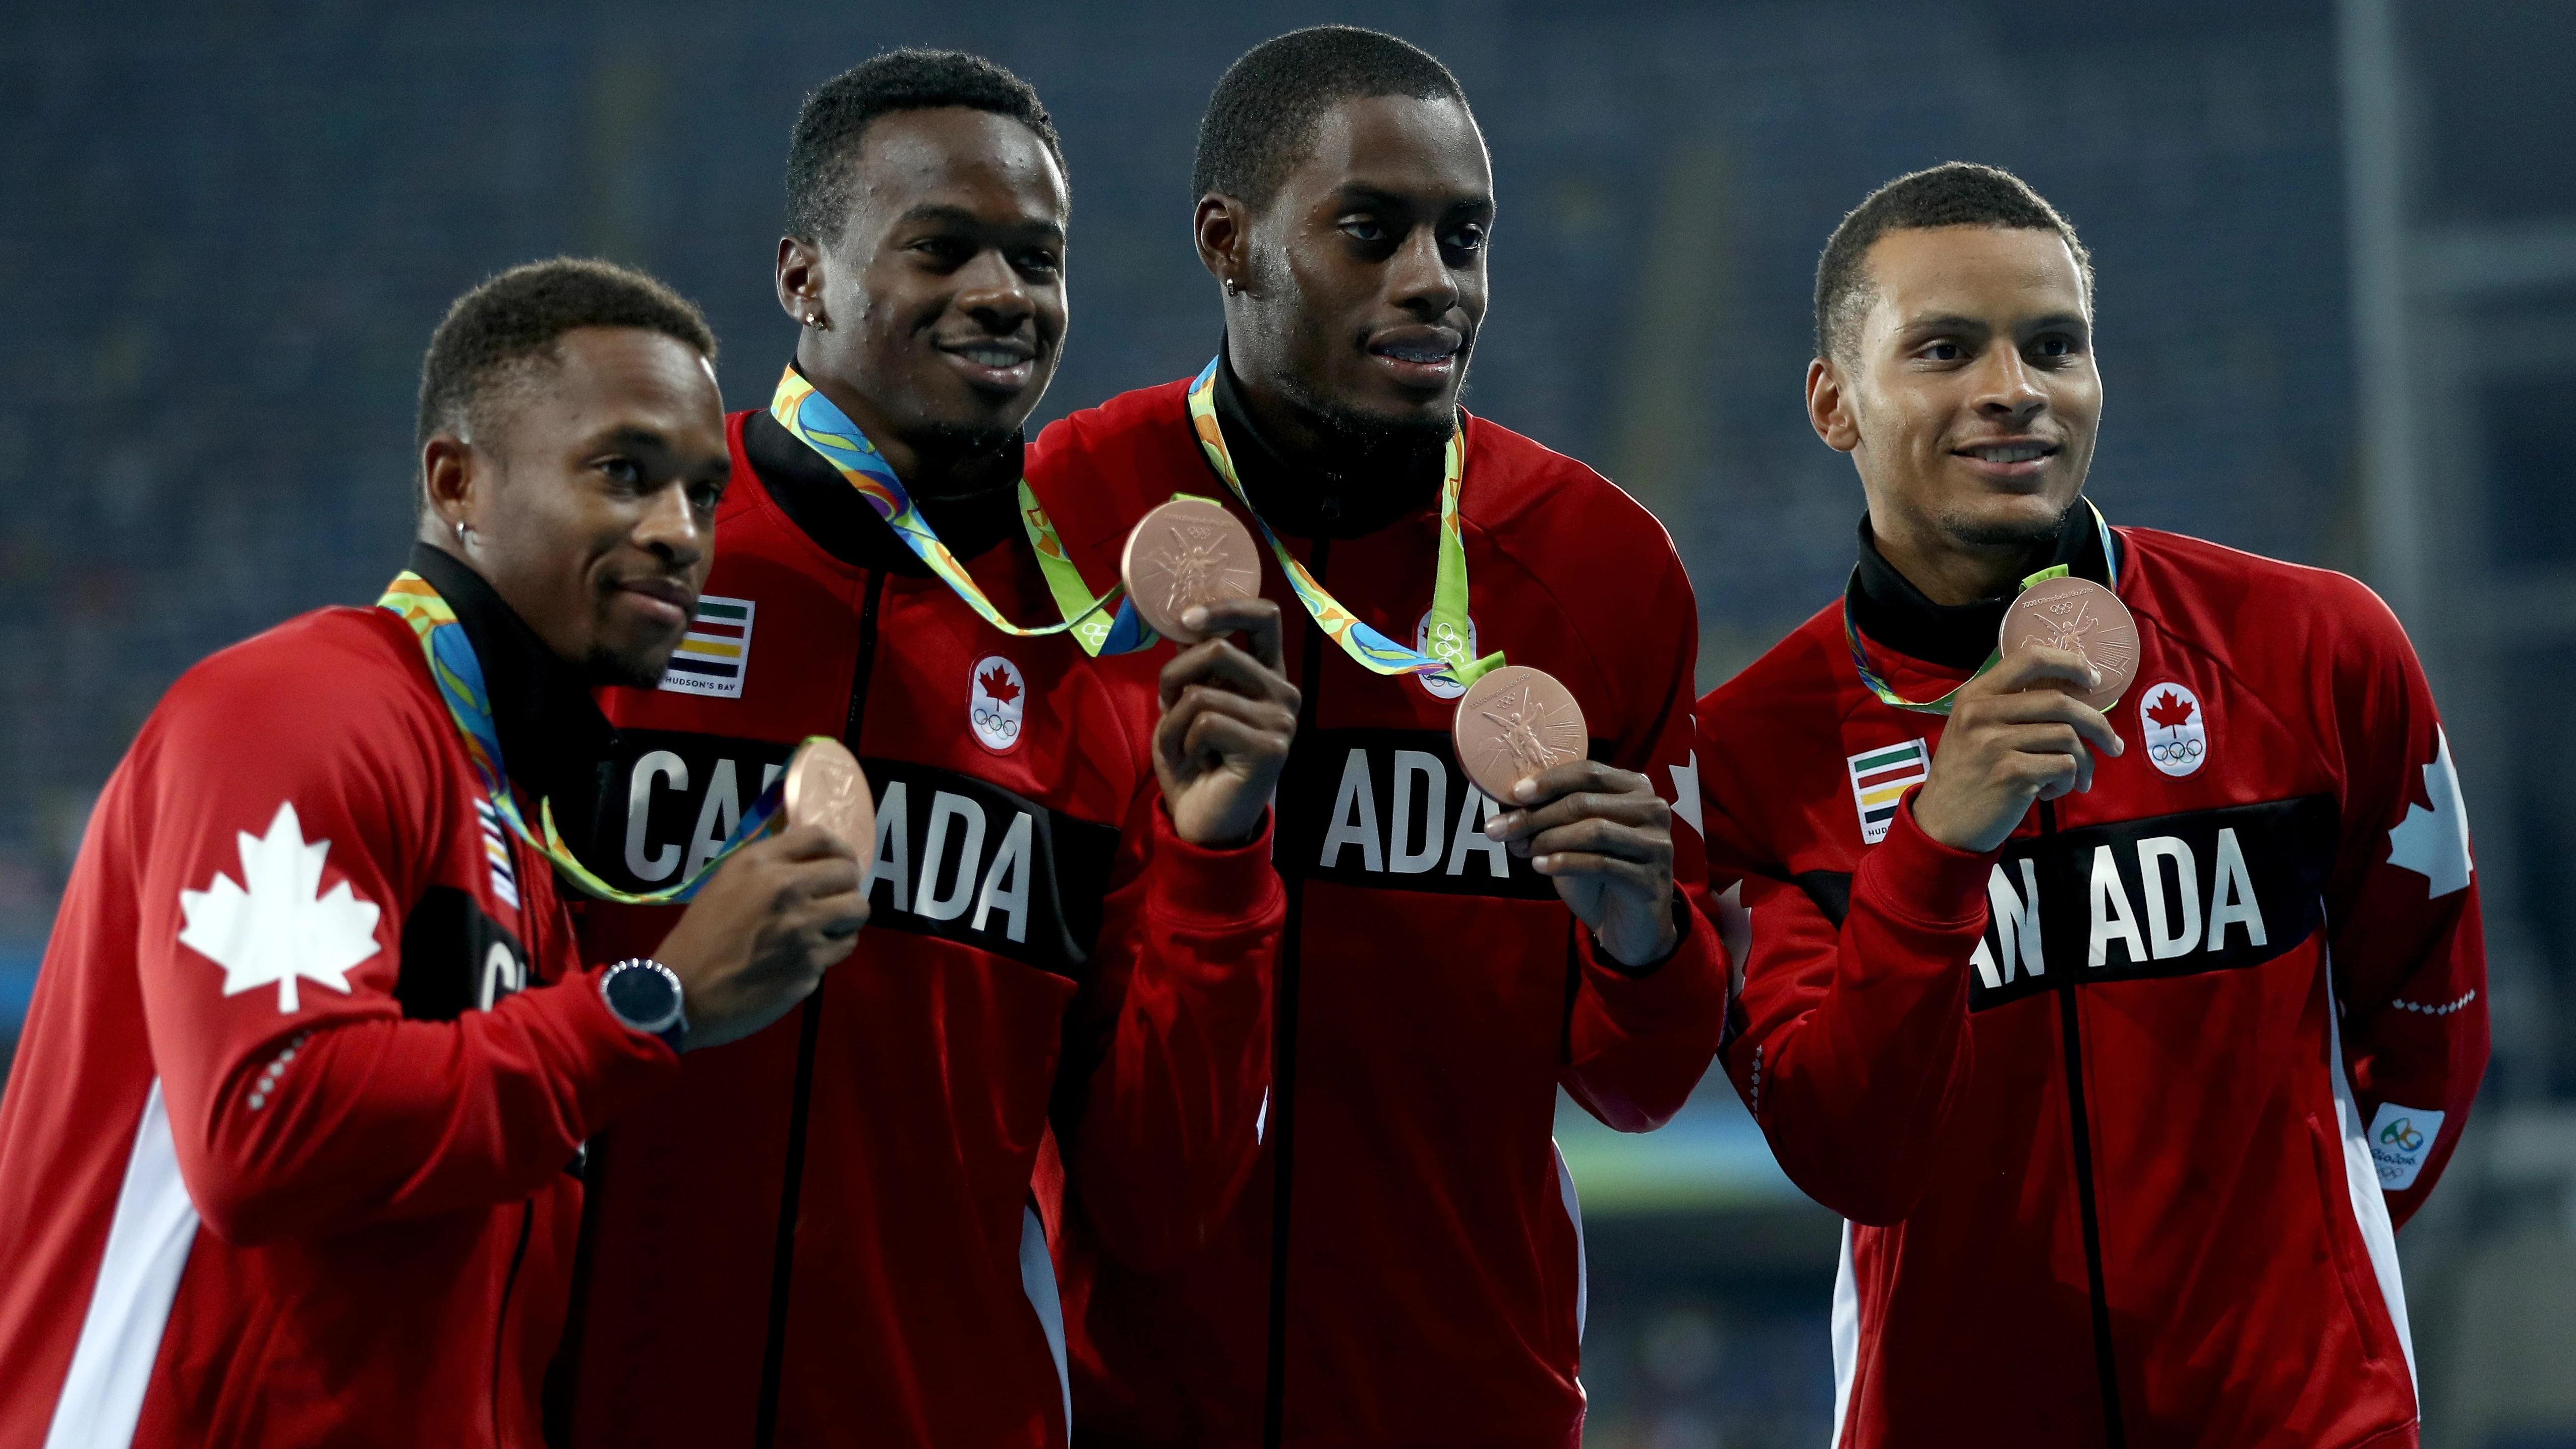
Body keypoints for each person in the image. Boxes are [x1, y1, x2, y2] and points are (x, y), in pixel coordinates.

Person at [549, 50, 1296, 1449]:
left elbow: (1159, 1198)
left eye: (1037, 257)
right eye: (941, 248)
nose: (1002, 293)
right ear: (802, 278)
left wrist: (1216, 858)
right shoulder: (616, 561)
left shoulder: (1104, 646)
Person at [0, 259, 868, 1449]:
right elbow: (266, 1123)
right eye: (624, 473)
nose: (679, 533)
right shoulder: (296, 709)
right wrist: (652, 1004)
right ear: (457, 481)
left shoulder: (518, 831)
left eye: (706, 494)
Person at [1696, 162, 2490, 1446]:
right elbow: (1845, 1146)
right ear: (1833, 401)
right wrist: (1936, 846)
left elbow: (2428, 1025)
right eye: (1946, 348)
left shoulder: (2311, 646)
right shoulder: (1751, 754)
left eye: (2053, 344)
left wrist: (2306, 1289)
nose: (2013, 388)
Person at [1024, 27, 1728, 1448]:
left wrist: (1644, 942)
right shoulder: (1065, 513)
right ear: (1228, 241)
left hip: (1471, 1400)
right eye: (1371, 230)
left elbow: (1636, 1081)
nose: (1435, 280)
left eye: (1463, 236)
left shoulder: (1602, 568)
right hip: (1120, 1403)